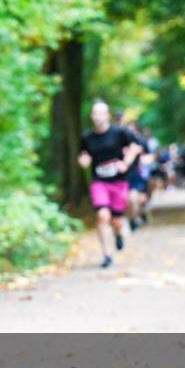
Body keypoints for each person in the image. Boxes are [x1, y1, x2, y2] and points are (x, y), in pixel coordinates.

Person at [78, 100, 142, 268]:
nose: (98, 117)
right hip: (99, 182)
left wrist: (126, 163)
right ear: (92, 116)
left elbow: (136, 147)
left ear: (107, 115)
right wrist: (84, 160)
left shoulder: (120, 133)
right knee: (102, 216)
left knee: (116, 221)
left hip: (119, 182)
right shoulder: (87, 137)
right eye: (95, 113)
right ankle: (107, 255)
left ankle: (119, 233)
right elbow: (83, 154)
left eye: (101, 113)